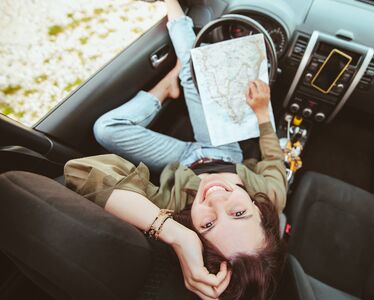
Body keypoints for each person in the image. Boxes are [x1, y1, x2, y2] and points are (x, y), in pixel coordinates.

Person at [64, 0, 288, 299]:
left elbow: (83, 170)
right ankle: (171, 5)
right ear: (259, 210)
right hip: (223, 149)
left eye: (208, 224)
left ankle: (167, 86)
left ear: (193, 233)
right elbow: (274, 157)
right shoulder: (272, 195)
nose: (217, 198)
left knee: (105, 129)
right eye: (238, 212)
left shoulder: (169, 209)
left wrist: (173, 232)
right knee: (192, 75)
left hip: (184, 161)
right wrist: (262, 112)